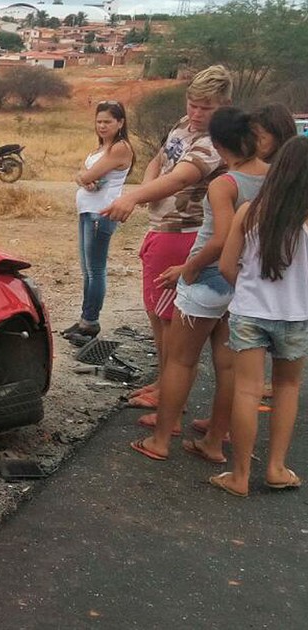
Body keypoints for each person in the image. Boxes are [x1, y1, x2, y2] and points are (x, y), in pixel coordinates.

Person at [129, 108, 267, 463]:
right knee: (228, 367)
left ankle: (160, 439)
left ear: (219, 145)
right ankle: (215, 442)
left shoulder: (226, 184)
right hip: (243, 283)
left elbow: (221, 238)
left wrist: (187, 268)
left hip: (208, 280)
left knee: (180, 361)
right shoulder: (270, 178)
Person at [100, 65, 231, 410]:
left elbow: (181, 178)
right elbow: (160, 161)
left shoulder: (215, 141)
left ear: (224, 105)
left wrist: (132, 197)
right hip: (162, 227)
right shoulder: (181, 126)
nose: (198, 113)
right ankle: (163, 382)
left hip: (184, 231)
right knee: (157, 316)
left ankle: (171, 397)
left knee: (173, 321)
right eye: (193, 104)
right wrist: (147, 190)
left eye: (207, 107)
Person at [211, 136, 308, 496]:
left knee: (247, 391)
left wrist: (251, 289)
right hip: (296, 316)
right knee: (287, 388)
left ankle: (238, 475)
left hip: (250, 312)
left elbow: (226, 265)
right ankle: (276, 468)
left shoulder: (250, 211)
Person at [62, 101, 134, 344]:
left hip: (101, 212)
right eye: (99, 121)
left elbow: (87, 175)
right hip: (87, 209)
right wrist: (83, 177)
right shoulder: (99, 148)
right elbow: (81, 174)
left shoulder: (119, 148)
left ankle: (90, 321)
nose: (102, 126)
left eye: (108, 122)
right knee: (87, 270)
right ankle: (85, 317)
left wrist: (83, 177)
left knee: (96, 270)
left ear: (120, 123)